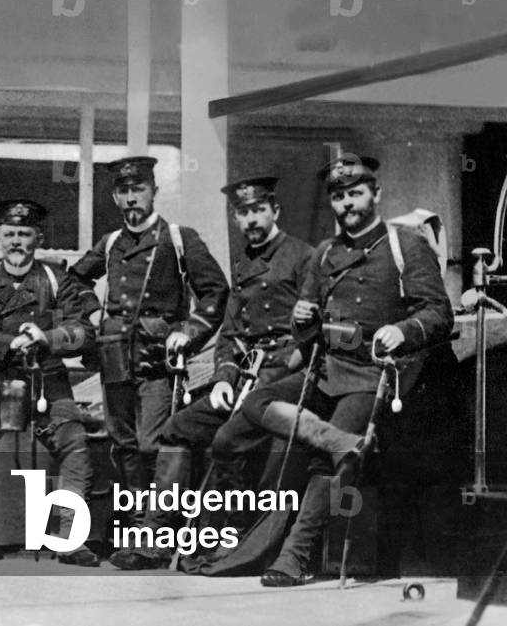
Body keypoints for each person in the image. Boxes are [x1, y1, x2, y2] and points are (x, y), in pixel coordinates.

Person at [238, 157, 453, 587]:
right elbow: (307, 335)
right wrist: (302, 320)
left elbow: (439, 312)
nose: (347, 204)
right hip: (326, 370)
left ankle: (294, 557)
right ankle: (340, 442)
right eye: (338, 197)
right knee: (258, 401)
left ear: (376, 194)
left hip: (373, 375)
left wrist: (403, 328)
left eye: (355, 193)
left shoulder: (404, 245)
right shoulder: (325, 253)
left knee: (325, 460)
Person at [108, 176, 313, 569]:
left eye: (258, 210)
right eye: (243, 213)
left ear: (275, 211)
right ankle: (155, 536)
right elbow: (232, 333)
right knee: (177, 428)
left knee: (227, 437)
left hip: (284, 377)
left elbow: (310, 332)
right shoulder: (244, 263)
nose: (251, 219)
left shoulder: (303, 257)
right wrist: (223, 378)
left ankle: (227, 537)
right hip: (243, 378)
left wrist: (275, 370)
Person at [69, 156, 229, 521]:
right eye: (123, 191)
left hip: (158, 362)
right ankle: (133, 525)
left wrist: (187, 333)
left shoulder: (178, 238)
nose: (131, 199)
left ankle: (156, 529)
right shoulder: (110, 243)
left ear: (154, 192)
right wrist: (92, 312)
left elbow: (216, 292)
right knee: (123, 444)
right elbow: (74, 281)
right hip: (114, 358)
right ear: (114, 197)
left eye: (138, 189)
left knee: (151, 443)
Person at [0, 199, 100, 567]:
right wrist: (8, 343)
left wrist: (49, 337)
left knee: (76, 445)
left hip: (46, 382)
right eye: (9, 234)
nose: (17, 241)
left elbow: (84, 330)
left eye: (25, 234)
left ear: (38, 238)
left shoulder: (56, 279)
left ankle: (68, 538)